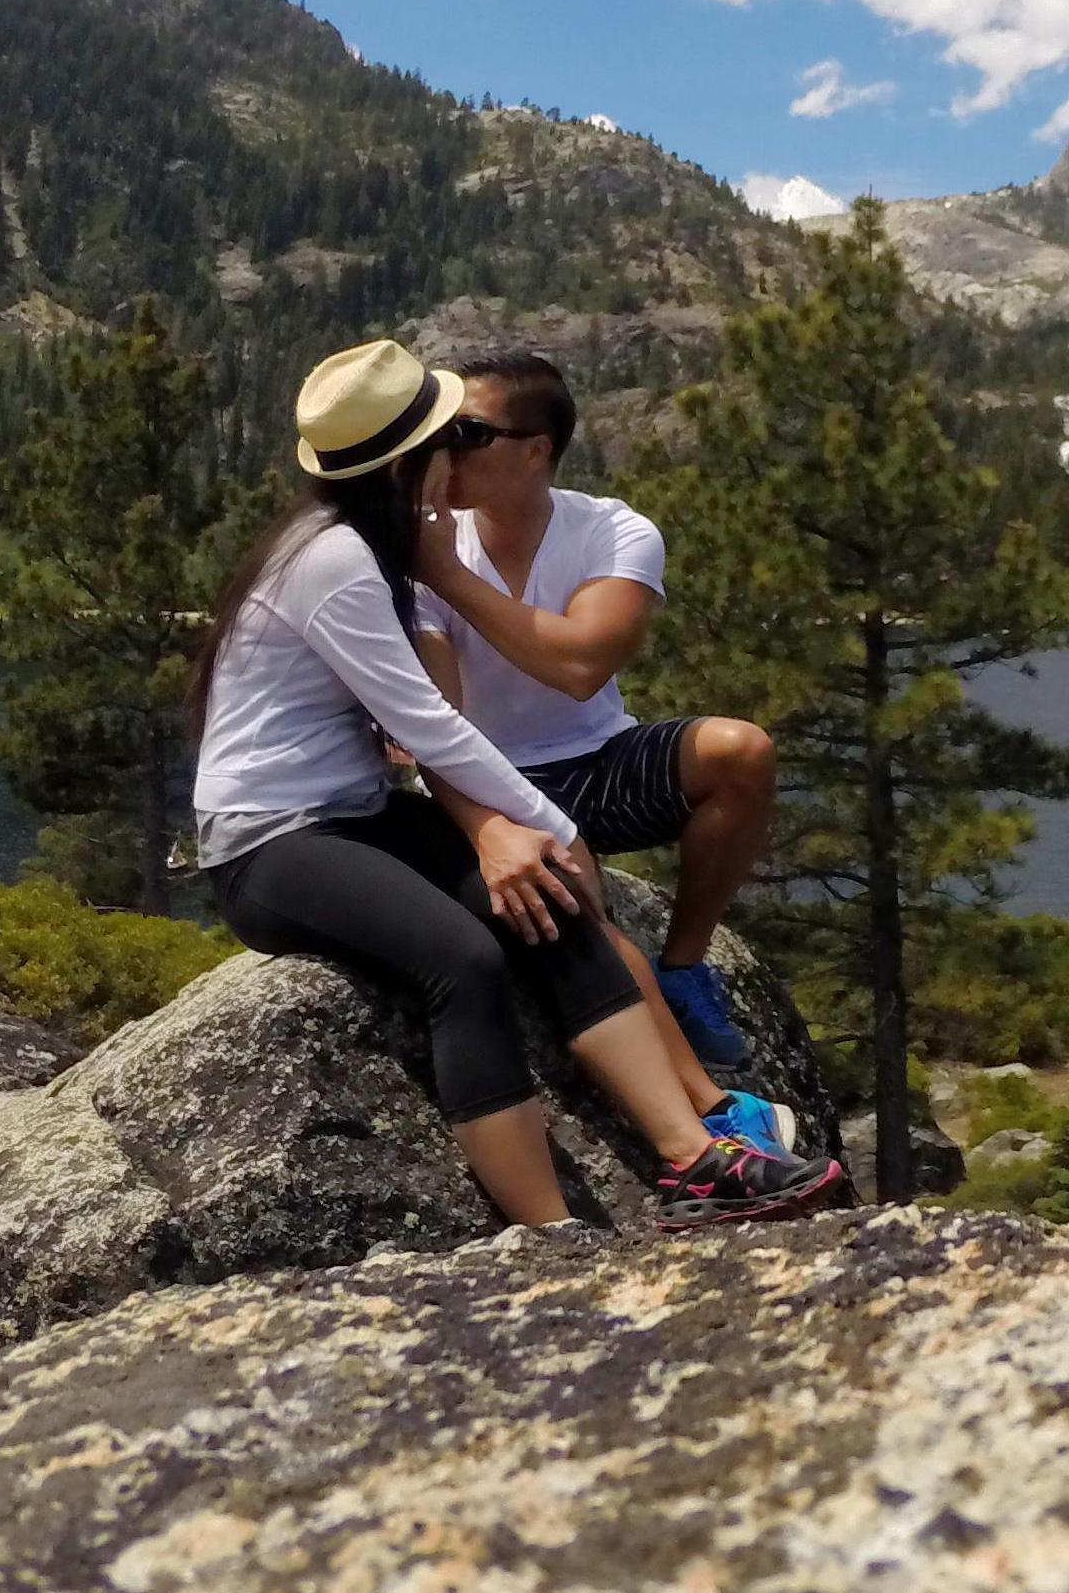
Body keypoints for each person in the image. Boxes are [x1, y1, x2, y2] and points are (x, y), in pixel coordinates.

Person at [187, 336, 842, 1228]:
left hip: (356, 815)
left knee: (548, 904)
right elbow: (424, 725)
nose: (457, 450)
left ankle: (696, 1161)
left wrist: (522, 839)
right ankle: (552, 1233)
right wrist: (549, 826)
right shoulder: (335, 562)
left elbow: (463, 716)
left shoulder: (381, 543)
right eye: (446, 435)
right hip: (268, 843)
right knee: (464, 962)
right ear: (413, 458)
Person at [406, 347, 774, 1073]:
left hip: (599, 759)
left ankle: (685, 965)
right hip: (491, 781)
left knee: (744, 753)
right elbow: (438, 714)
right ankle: (677, 1082)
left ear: (538, 450)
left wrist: (446, 576)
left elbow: (579, 665)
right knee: (581, 911)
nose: (446, 451)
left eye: (469, 433)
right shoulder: (427, 547)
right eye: (438, 433)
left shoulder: (613, 531)